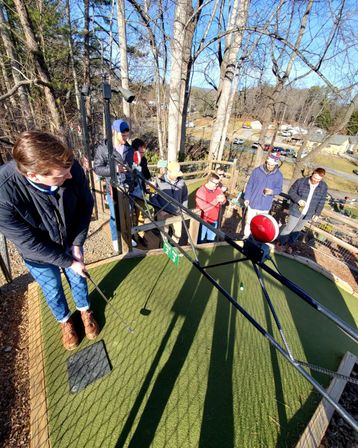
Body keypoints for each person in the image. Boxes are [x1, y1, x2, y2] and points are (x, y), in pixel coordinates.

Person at [0, 131, 99, 351]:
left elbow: (86, 205)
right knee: (52, 287)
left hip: (69, 238)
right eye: (60, 175)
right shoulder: (3, 193)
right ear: (34, 175)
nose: (70, 176)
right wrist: (69, 262)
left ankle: (85, 311)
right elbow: (29, 243)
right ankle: (65, 321)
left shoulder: (69, 167)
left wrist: (76, 245)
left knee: (78, 278)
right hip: (38, 253)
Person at [93, 119, 137, 252]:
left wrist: (133, 178)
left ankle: (128, 236)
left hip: (128, 188)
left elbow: (131, 167)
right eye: (123, 136)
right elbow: (97, 169)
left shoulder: (129, 149)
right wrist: (115, 169)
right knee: (115, 216)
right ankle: (115, 239)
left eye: (127, 135)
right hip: (113, 188)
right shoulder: (103, 148)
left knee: (128, 214)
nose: (126, 138)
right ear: (114, 133)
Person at [276, 168, 328, 253]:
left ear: (322, 178)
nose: (315, 180)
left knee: (297, 230)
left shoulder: (323, 186)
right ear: (312, 174)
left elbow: (322, 201)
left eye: (318, 179)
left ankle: (289, 246)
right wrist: (298, 200)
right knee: (289, 228)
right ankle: (280, 244)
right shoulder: (301, 181)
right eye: (314, 178)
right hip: (296, 210)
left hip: (309, 213)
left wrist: (317, 214)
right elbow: (291, 191)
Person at [243, 153, 283, 239]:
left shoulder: (278, 175)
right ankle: (246, 236)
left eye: (272, 165)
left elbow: (279, 189)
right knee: (249, 221)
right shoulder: (257, 171)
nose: (270, 166)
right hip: (253, 202)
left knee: (261, 225)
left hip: (265, 205)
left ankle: (256, 239)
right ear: (266, 162)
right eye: (268, 164)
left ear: (275, 165)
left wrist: (272, 191)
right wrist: (247, 198)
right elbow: (250, 185)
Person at [151, 161, 188, 244]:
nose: (177, 177)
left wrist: (184, 209)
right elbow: (153, 198)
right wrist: (160, 210)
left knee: (178, 233)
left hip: (177, 213)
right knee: (164, 233)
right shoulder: (159, 181)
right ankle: (164, 247)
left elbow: (185, 196)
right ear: (169, 172)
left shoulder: (182, 182)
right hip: (163, 213)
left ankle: (174, 245)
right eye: (175, 175)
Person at [131, 138, 152, 246]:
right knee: (130, 216)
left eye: (144, 152)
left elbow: (147, 174)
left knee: (141, 215)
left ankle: (141, 235)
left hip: (140, 192)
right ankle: (131, 236)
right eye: (141, 152)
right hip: (130, 193)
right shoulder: (128, 160)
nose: (143, 154)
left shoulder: (143, 160)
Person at [195, 173, 226, 243]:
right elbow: (204, 208)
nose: (217, 185)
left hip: (214, 220)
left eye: (218, 183)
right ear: (209, 181)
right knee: (200, 240)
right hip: (203, 220)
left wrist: (223, 200)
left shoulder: (218, 189)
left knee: (211, 240)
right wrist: (216, 200)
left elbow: (223, 201)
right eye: (216, 183)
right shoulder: (201, 191)